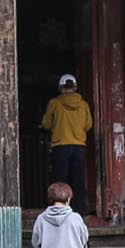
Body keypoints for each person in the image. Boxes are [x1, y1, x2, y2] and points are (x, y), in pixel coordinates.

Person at [40, 74, 92, 212]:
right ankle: (78, 211)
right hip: (79, 147)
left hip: (60, 146)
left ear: (61, 88)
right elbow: (88, 125)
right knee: (78, 181)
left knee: (60, 180)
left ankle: (59, 210)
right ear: (75, 87)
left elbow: (46, 124)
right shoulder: (83, 104)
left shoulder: (54, 103)